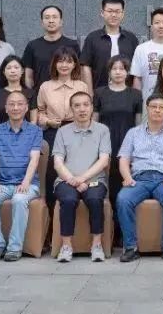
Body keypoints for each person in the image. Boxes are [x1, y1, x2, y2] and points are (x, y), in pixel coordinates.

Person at [116, 92, 163, 263]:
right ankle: (131, 248)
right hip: (139, 179)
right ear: (147, 109)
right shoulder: (133, 133)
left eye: (162, 107)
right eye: (154, 107)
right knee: (123, 199)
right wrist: (127, 177)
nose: (157, 110)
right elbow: (124, 159)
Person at [0, 90, 43, 262]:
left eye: (20, 104)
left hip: (28, 184)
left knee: (19, 199)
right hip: (2, 183)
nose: (16, 108)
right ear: (6, 108)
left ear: (26, 108)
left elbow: (34, 159)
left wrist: (25, 182)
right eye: (12, 104)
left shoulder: (35, 131)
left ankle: (15, 248)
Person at [53, 91, 113, 262]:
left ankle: (96, 245)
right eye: (77, 106)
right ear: (71, 109)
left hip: (95, 180)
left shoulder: (102, 130)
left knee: (94, 199)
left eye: (86, 105)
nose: (82, 109)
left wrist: (82, 178)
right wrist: (72, 180)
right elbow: (58, 163)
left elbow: (104, 160)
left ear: (92, 107)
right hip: (66, 180)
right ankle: (66, 246)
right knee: (68, 200)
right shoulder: (62, 131)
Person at [37, 47, 91, 205]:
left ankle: (73, 205)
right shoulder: (45, 87)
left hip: (77, 131)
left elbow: (87, 109)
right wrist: (48, 121)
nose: (64, 65)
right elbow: (40, 112)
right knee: (52, 171)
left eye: (69, 61)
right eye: (60, 61)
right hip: (53, 132)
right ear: (54, 64)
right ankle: (51, 209)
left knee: (77, 167)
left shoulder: (81, 86)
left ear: (74, 65)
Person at [93, 55, 143, 209]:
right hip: (105, 142)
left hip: (127, 142)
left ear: (127, 72)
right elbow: (94, 122)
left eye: (122, 68)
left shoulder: (135, 94)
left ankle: (122, 219)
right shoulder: (100, 93)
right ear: (109, 72)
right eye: (114, 68)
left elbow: (138, 124)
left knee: (126, 181)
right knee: (107, 181)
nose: (118, 72)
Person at [80, 0, 140, 92]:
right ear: (102, 13)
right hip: (99, 93)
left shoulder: (131, 39)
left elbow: (137, 68)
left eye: (117, 11)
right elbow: (86, 67)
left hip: (126, 94)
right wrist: (90, 93)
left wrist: (134, 93)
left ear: (123, 14)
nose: (114, 15)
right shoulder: (92, 38)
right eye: (110, 11)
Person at [22, 5, 80, 90]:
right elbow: (28, 76)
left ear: (61, 22)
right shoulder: (32, 45)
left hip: (68, 94)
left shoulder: (72, 45)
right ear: (42, 22)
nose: (51, 21)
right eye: (47, 17)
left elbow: (78, 72)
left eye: (54, 17)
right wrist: (31, 94)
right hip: (40, 94)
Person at [0, 55, 36, 129]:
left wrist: (26, 134)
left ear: (22, 71)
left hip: (26, 134)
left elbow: (33, 121)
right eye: (9, 68)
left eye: (16, 67)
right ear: (4, 72)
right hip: (0, 134)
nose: (12, 71)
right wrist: (0, 134)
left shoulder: (31, 93)